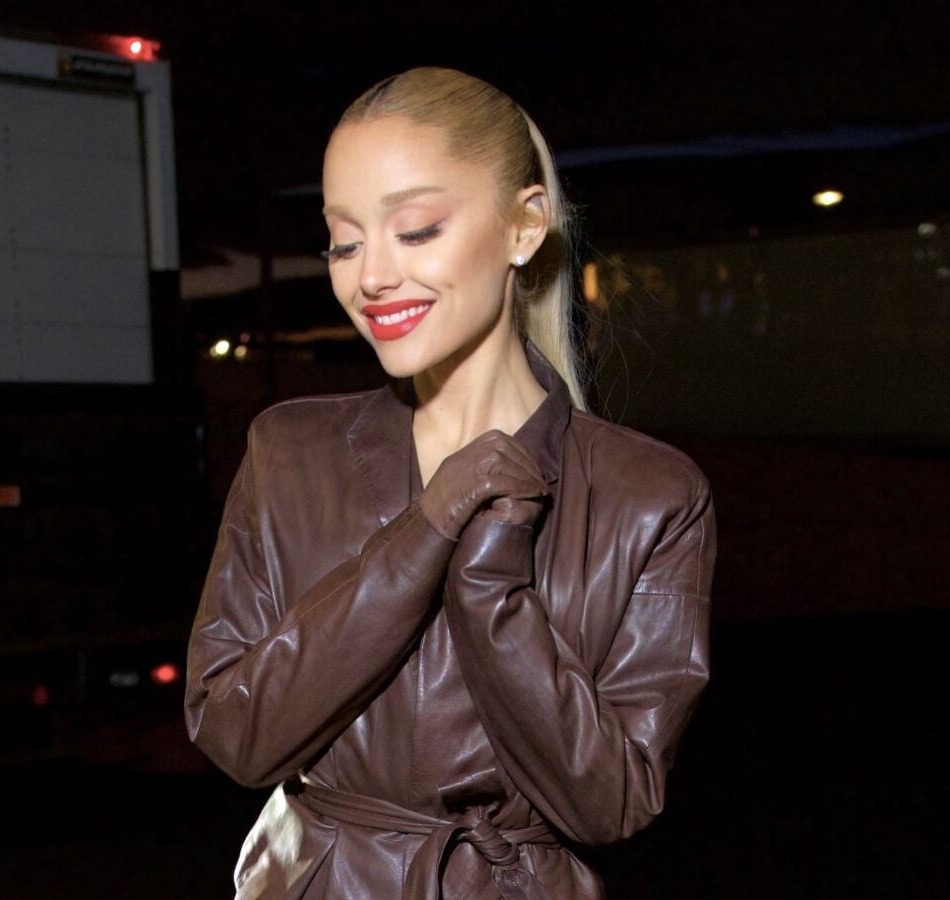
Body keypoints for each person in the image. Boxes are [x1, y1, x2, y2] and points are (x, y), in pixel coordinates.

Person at [185, 67, 716, 899]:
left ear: (524, 226)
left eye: (417, 229)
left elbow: (609, 802)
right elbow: (236, 735)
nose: (370, 277)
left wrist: (489, 591)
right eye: (345, 241)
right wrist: (423, 534)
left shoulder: (650, 495)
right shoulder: (289, 451)